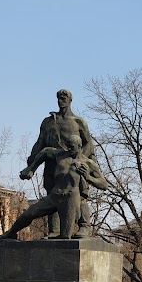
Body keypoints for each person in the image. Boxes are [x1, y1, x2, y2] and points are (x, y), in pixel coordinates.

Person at [1, 135, 108, 240]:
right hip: (55, 196)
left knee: (65, 237)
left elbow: (104, 185)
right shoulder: (60, 155)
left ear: (80, 146)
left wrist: (88, 177)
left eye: (72, 147)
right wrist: (31, 168)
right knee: (29, 213)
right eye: (68, 146)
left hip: (70, 198)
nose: (69, 149)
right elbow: (45, 152)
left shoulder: (88, 163)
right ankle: (11, 232)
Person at [27, 89, 96, 238]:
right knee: (53, 194)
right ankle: (55, 230)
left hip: (74, 164)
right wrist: (32, 160)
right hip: (53, 163)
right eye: (59, 98)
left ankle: (84, 226)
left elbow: (89, 144)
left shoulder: (78, 122)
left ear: (70, 100)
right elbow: (40, 142)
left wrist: (80, 160)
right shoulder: (48, 122)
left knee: (79, 194)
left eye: (64, 97)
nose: (61, 100)